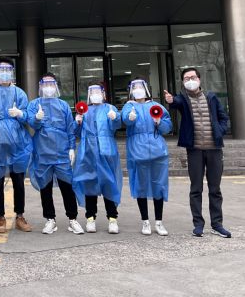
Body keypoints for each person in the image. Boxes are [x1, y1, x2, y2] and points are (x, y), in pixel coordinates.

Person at [164, 67, 232, 238]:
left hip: (214, 149)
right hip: (194, 150)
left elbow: (223, 117)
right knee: (196, 188)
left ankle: (217, 224)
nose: (190, 80)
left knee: (215, 189)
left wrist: (220, 131)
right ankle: (198, 224)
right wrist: (170, 100)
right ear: (183, 82)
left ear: (199, 79)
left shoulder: (211, 97)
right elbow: (175, 103)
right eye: (186, 78)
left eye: (193, 77)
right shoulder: (183, 99)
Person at [0, 58, 33, 233]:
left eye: (7, 69)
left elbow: (27, 116)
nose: (4, 73)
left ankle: (20, 216)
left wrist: (20, 114)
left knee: (19, 181)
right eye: (1, 69)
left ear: (12, 72)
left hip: (17, 143)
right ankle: (0, 217)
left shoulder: (19, 93)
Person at [27, 73, 84, 235]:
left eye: (51, 84)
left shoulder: (63, 105)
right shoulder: (34, 104)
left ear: (56, 86)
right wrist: (37, 118)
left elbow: (70, 128)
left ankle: (72, 219)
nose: (49, 87)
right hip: (43, 151)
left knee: (67, 187)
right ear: (40, 86)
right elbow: (32, 123)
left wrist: (72, 147)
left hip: (61, 151)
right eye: (45, 84)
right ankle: (50, 219)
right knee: (45, 188)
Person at [122, 78, 173, 237]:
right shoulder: (129, 106)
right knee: (141, 185)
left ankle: (159, 221)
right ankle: (145, 221)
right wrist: (129, 118)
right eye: (135, 87)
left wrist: (159, 123)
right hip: (138, 150)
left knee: (159, 185)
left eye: (140, 87)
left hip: (158, 150)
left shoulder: (156, 106)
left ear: (146, 89)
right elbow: (124, 120)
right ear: (131, 91)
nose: (138, 90)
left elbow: (167, 126)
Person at [73, 84, 123, 234]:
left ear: (103, 94)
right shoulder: (84, 111)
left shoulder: (110, 108)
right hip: (88, 151)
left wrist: (115, 118)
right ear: (89, 95)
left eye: (98, 92)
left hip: (106, 151)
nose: (96, 94)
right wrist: (78, 122)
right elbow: (77, 132)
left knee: (109, 184)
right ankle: (90, 218)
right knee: (90, 185)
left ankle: (112, 218)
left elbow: (116, 126)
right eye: (92, 92)